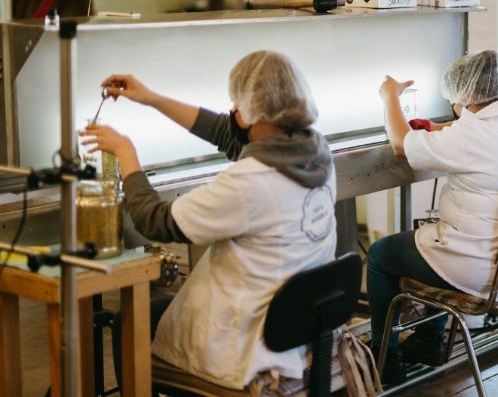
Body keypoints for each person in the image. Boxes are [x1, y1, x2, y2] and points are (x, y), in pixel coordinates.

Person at [80, 51, 336, 390]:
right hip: (298, 328)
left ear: (252, 113)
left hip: (247, 345)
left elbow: (155, 221)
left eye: (236, 105)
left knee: (132, 321)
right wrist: (151, 99)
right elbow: (226, 133)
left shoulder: (249, 182)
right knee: (159, 311)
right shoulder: (317, 153)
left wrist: (126, 155)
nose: (231, 112)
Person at [369, 50, 498, 384]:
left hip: (482, 272)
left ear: (464, 98)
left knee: (382, 255)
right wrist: (442, 129)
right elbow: (479, 134)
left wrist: (390, 97)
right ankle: (427, 340)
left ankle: (387, 361)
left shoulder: (470, 137)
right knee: (435, 239)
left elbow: (400, 143)